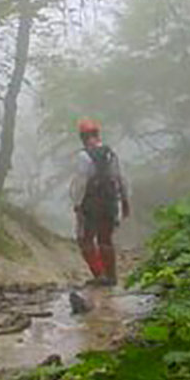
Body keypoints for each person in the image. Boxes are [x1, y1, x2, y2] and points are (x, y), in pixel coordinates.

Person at [69, 118, 130, 286]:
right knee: (106, 240)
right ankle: (112, 277)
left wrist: (77, 204)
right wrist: (124, 201)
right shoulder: (110, 153)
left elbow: (81, 182)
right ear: (97, 134)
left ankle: (99, 274)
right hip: (110, 201)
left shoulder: (84, 156)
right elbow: (119, 177)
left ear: (82, 136)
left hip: (91, 202)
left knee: (85, 240)